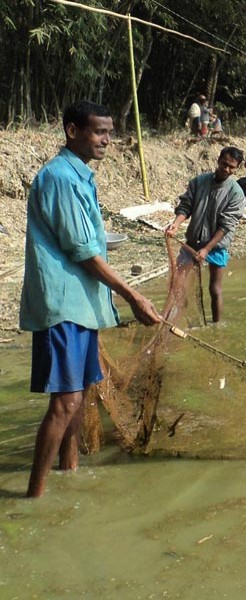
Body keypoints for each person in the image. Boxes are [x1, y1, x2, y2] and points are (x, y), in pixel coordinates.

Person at [20, 100, 161, 498]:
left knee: (79, 396)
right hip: (62, 303)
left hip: (82, 304)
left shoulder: (80, 176)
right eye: (99, 132)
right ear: (72, 131)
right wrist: (132, 295)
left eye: (110, 133)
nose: (106, 140)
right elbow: (82, 250)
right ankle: (34, 496)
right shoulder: (60, 178)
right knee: (64, 403)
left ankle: (71, 471)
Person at [165, 146, 246, 323]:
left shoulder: (236, 193)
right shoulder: (199, 182)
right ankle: (176, 317)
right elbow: (185, 206)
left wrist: (207, 249)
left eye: (231, 167)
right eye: (224, 164)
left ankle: (216, 325)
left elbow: (226, 226)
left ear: (237, 168)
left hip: (216, 245)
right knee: (177, 282)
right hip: (192, 241)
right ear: (218, 160)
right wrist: (176, 225)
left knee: (214, 289)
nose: (226, 169)